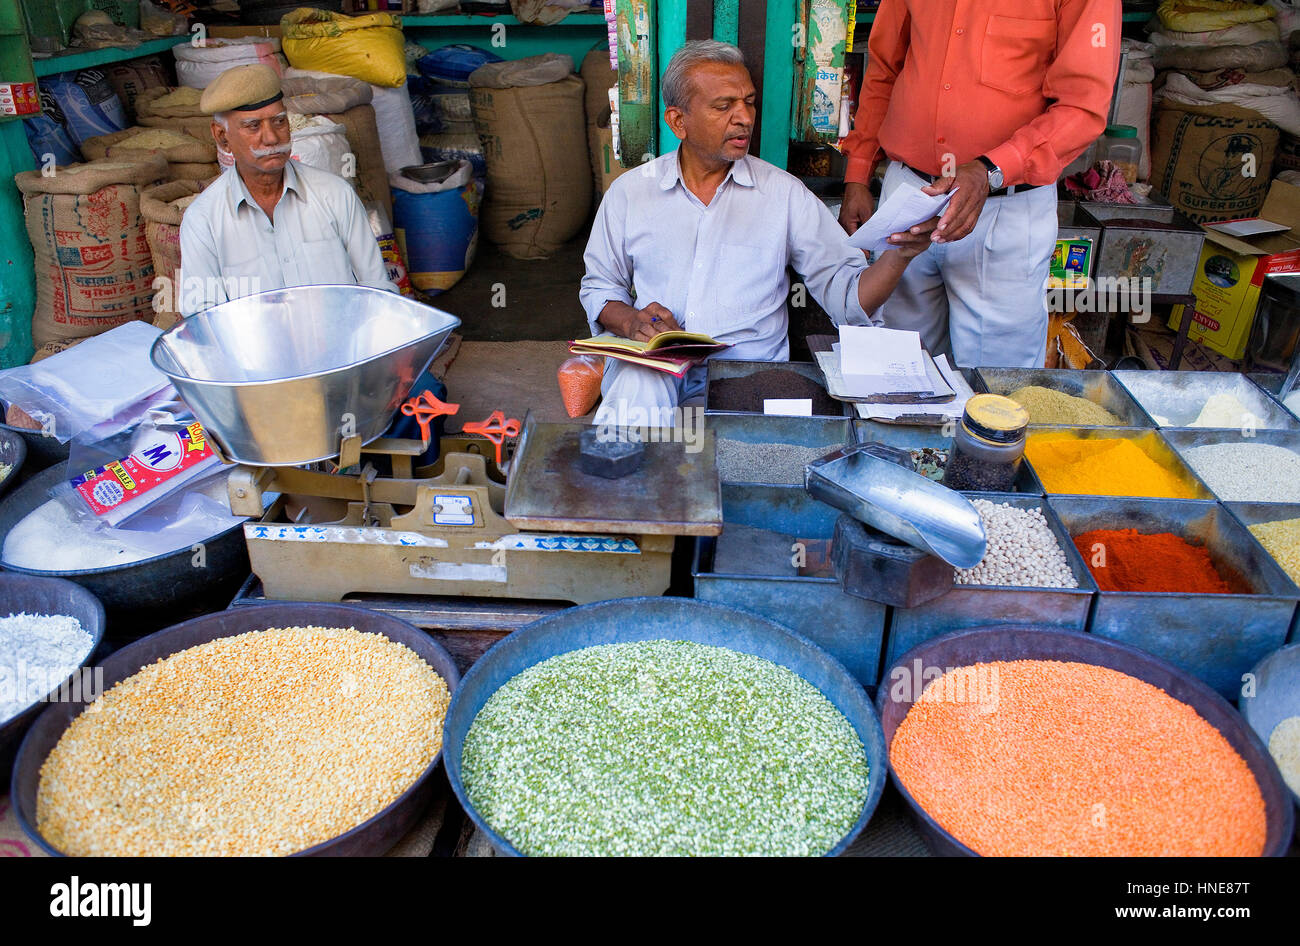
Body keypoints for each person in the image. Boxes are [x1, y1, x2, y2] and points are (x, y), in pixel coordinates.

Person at [580, 40, 935, 427]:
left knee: (747, 457)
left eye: (748, 102)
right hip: (657, 363)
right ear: (678, 121)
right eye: (724, 106)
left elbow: (848, 296)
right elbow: (600, 287)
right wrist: (632, 322)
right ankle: (629, 476)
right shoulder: (632, 192)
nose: (744, 118)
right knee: (636, 388)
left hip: (749, 373)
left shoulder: (782, 194)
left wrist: (899, 255)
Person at [838, 0, 1122, 368]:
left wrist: (991, 168)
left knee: (997, 383)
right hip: (909, 196)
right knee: (898, 366)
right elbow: (884, 67)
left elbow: (1082, 107)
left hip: (1004, 208)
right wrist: (859, 171)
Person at [178, 63, 396, 316]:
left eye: (279, 121)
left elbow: (377, 288)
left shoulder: (335, 194)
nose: (271, 138)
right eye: (253, 126)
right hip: (256, 354)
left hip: (341, 347)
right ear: (222, 137)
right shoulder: (203, 219)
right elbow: (203, 318)